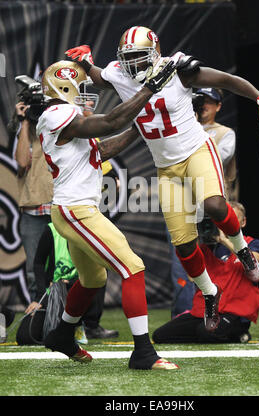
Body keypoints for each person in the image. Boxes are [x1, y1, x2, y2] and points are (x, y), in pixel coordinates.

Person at [65, 27, 259, 332]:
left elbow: (226, 80)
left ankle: (243, 251)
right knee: (184, 245)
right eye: (127, 58)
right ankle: (210, 292)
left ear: (154, 54)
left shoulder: (177, 69)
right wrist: (87, 64)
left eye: (138, 58)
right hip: (166, 167)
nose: (132, 65)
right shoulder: (119, 73)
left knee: (215, 205)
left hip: (195, 149)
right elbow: (103, 78)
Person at [37, 58, 179, 370]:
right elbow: (112, 121)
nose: (84, 95)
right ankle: (143, 353)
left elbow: (101, 150)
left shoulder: (64, 119)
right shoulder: (58, 113)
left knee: (93, 278)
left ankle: (61, 334)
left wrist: (139, 130)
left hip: (74, 208)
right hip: (76, 209)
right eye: (79, 87)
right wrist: (150, 88)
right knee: (133, 267)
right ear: (64, 86)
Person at [169, 87, 238, 318]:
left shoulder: (225, 133)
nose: (203, 106)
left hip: (210, 210)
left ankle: (217, 312)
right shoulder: (177, 129)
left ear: (218, 106)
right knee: (183, 261)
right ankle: (184, 315)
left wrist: (193, 128)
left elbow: (214, 158)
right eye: (200, 102)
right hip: (183, 206)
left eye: (209, 102)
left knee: (215, 262)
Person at [152, 201, 259, 344]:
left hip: (234, 312)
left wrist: (225, 240)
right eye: (225, 222)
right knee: (160, 336)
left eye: (232, 221)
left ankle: (239, 333)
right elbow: (191, 277)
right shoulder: (206, 248)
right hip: (206, 312)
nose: (227, 225)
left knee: (206, 333)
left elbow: (253, 264)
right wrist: (195, 241)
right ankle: (219, 334)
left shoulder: (252, 243)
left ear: (243, 222)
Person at [16, 222, 118, 346]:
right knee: (25, 337)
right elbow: (39, 263)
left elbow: (97, 270)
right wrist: (39, 298)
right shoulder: (51, 229)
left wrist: (72, 283)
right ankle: (65, 326)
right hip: (53, 293)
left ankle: (82, 324)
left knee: (99, 277)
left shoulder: (90, 229)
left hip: (79, 290)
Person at [9, 101, 53, 301]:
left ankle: (67, 319)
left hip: (59, 207)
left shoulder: (60, 125)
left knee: (63, 266)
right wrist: (25, 121)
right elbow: (22, 162)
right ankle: (38, 315)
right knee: (34, 269)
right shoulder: (25, 133)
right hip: (32, 209)